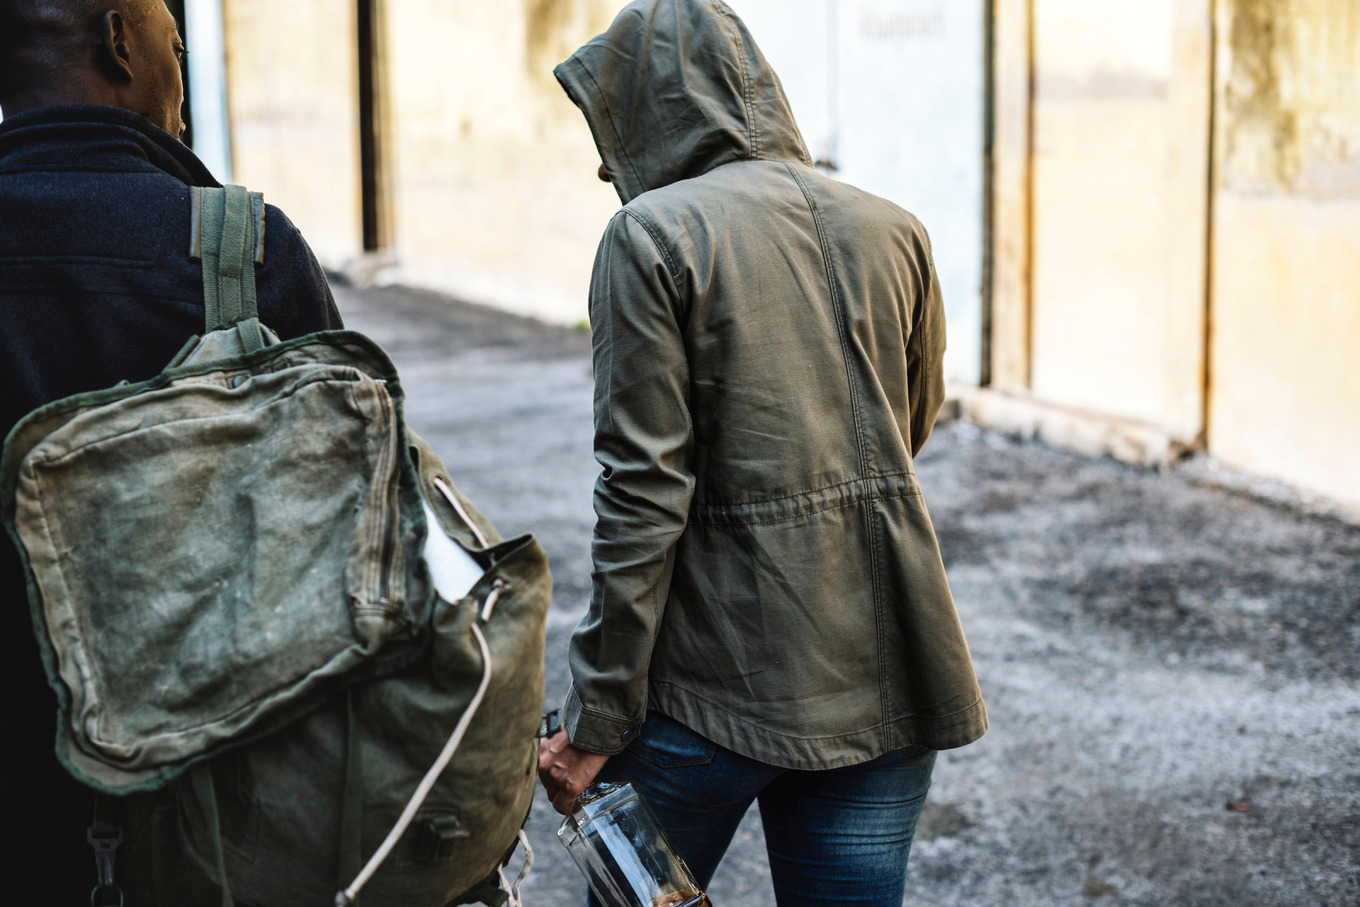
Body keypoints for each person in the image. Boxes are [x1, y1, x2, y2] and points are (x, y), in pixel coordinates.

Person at [537, 1, 988, 903]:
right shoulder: (895, 226)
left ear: (666, 111)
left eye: (615, 125)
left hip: (706, 691)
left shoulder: (650, 237)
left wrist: (596, 716)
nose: (605, 162)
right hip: (886, 671)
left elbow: (641, 494)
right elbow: (909, 424)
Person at [0, 0, 341, 899]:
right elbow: (352, 554)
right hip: (217, 829)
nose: (181, 78)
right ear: (119, 40)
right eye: (175, 45)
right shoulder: (248, 256)